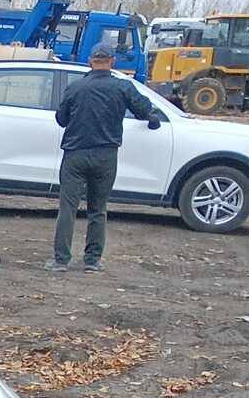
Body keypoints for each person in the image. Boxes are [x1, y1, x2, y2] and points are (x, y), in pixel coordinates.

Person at [49, 45, 166, 273]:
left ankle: (61, 260)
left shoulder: (76, 87)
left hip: (75, 154)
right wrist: (152, 120)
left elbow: (61, 119)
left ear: (90, 61)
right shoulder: (122, 87)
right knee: (98, 209)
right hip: (106, 156)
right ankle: (92, 261)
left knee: (67, 208)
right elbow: (144, 109)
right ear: (112, 62)